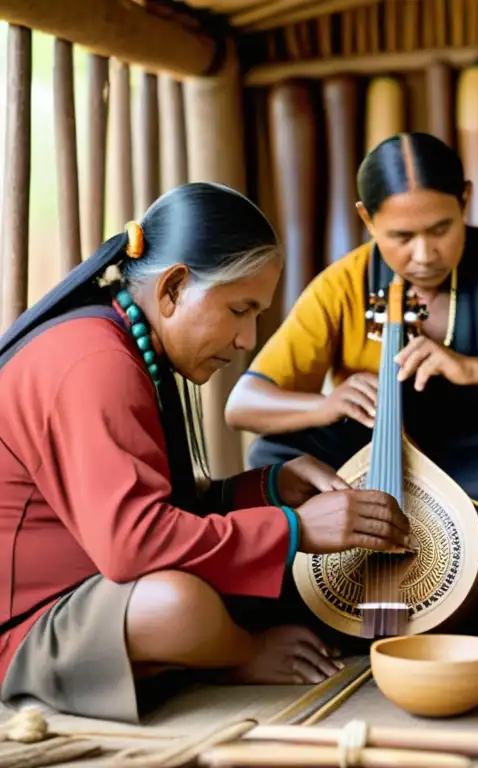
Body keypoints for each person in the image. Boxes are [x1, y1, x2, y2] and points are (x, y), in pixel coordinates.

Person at [0, 182, 411, 723]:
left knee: (256, 581)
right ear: (173, 288)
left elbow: (165, 508)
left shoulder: (126, 341)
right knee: (176, 607)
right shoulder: (95, 362)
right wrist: (295, 529)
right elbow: (136, 544)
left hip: (95, 584)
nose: (247, 339)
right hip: (28, 624)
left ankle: (206, 648)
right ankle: (236, 654)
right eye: (240, 309)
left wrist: (270, 488)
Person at [225, 131, 478, 565]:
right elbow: (242, 405)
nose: (424, 254)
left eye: (441, 229)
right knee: (272, 454)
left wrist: (469, 368)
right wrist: (326, 405)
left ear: (465, 200)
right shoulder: (343, 283)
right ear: (367, 219)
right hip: (387, 465)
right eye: (401, 235)